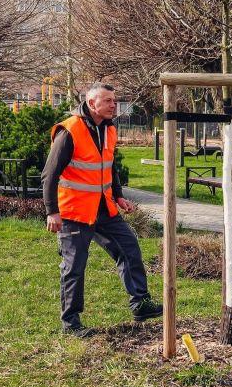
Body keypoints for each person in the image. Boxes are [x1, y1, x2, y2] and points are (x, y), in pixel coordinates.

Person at [42, 82, 162, 337]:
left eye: (114, 101)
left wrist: (118, 196)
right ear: (91, 103)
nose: (113, 105)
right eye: (108, 101)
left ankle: (140, 303)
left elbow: (109, 166)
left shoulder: (109, 129)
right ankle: (71, 323)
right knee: (74, 267)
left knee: (129, 248)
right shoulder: (69, 131)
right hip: (75, 212)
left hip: (104, 208)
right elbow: (49, 175)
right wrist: (52, 211)